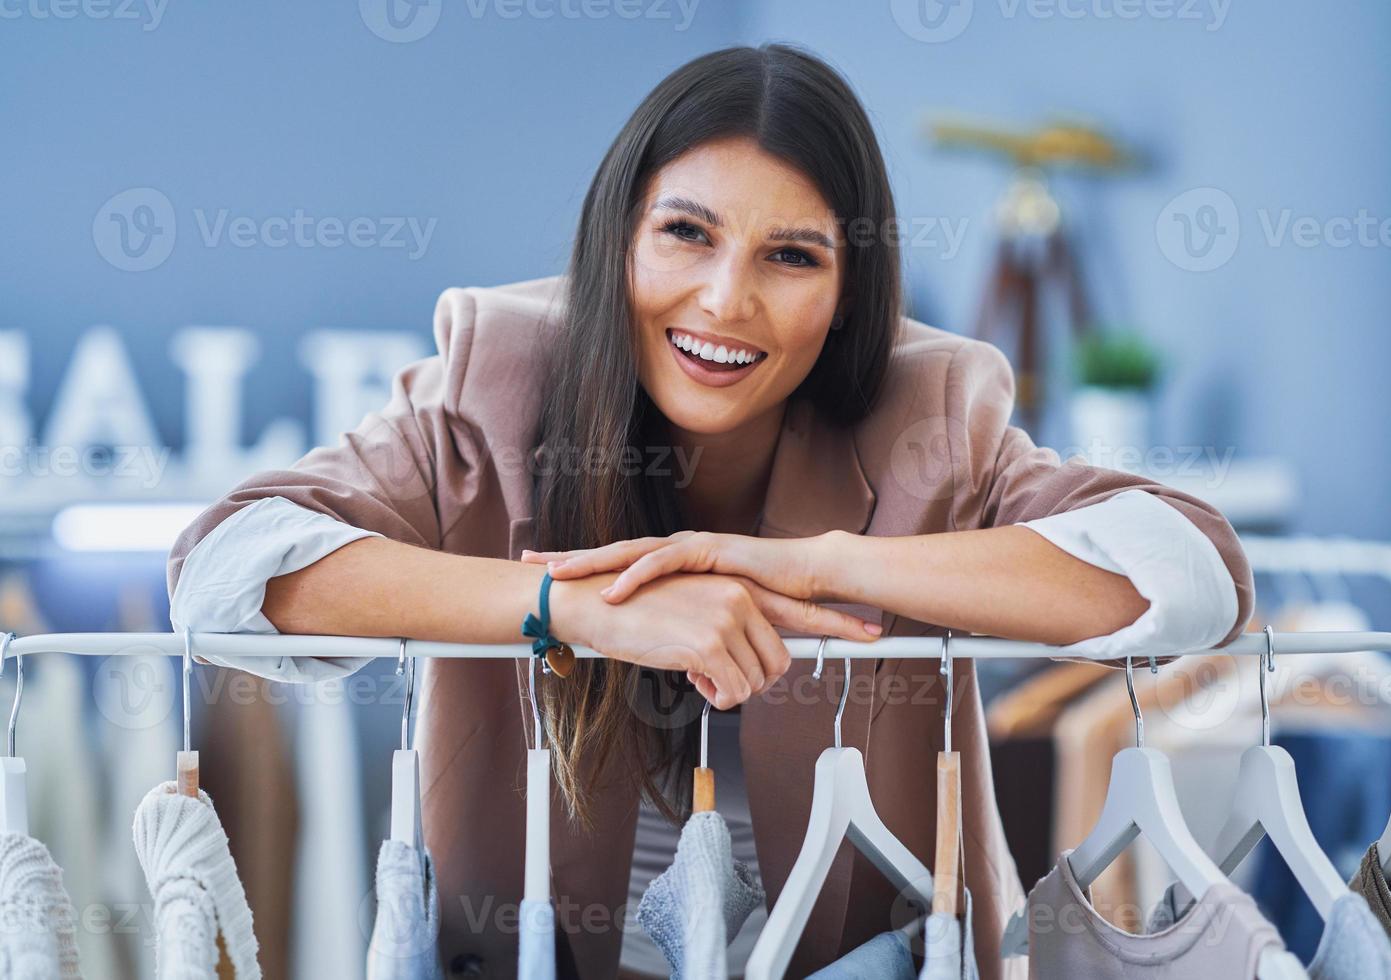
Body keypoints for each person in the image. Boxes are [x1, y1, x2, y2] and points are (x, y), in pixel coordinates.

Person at [166, 43, 1251, 979]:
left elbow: (1187, 578)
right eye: (687, 232)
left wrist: (817, 567)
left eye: (791, 256)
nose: (727, 300)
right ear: (618, 239)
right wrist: (575, 604)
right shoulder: (491, 380)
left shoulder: (930, 411)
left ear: (847, 294)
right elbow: (221, 571)